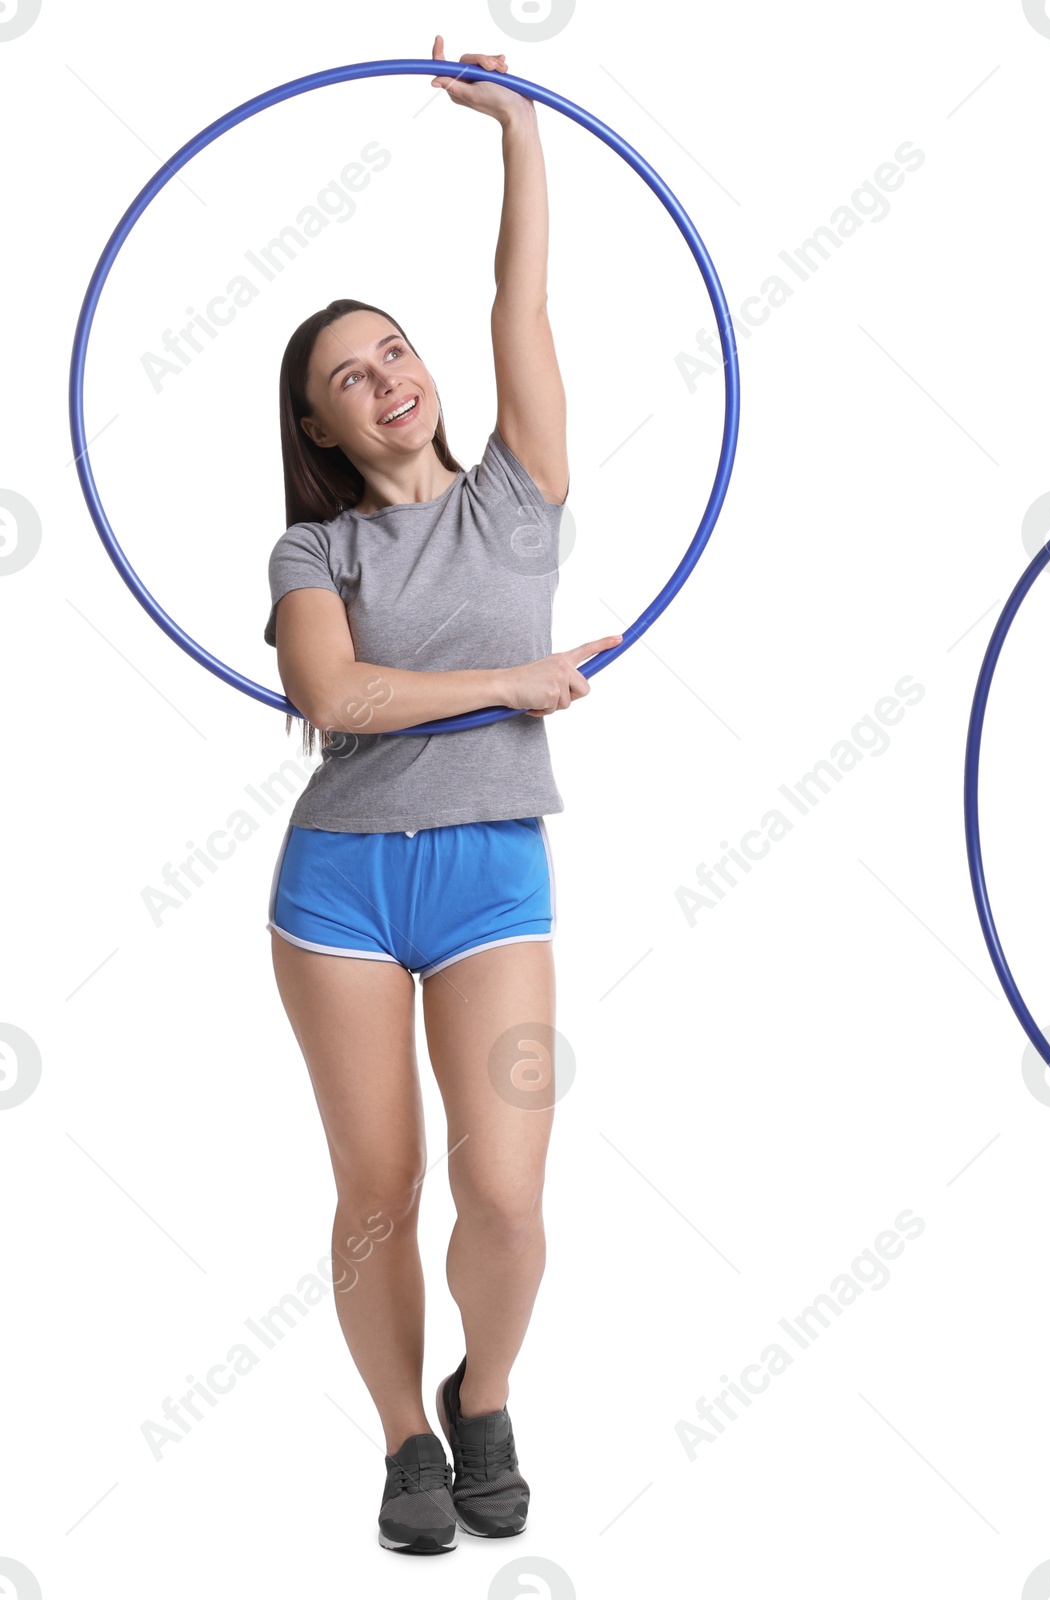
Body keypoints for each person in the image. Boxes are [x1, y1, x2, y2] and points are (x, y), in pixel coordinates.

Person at [262, 38, 622, 1555]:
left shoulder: (516, 498)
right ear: (326, 431)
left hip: (491, 879)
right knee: (379, 1192)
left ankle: (482, 1392)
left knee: (514, 1199)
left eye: (392, 352)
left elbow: (516, 305)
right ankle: (408, 1441)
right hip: (339, 886)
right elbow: (332, 701)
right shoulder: (311, 559)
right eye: (350, 378)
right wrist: (511, 683)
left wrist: (519, 138)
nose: (386, 380)